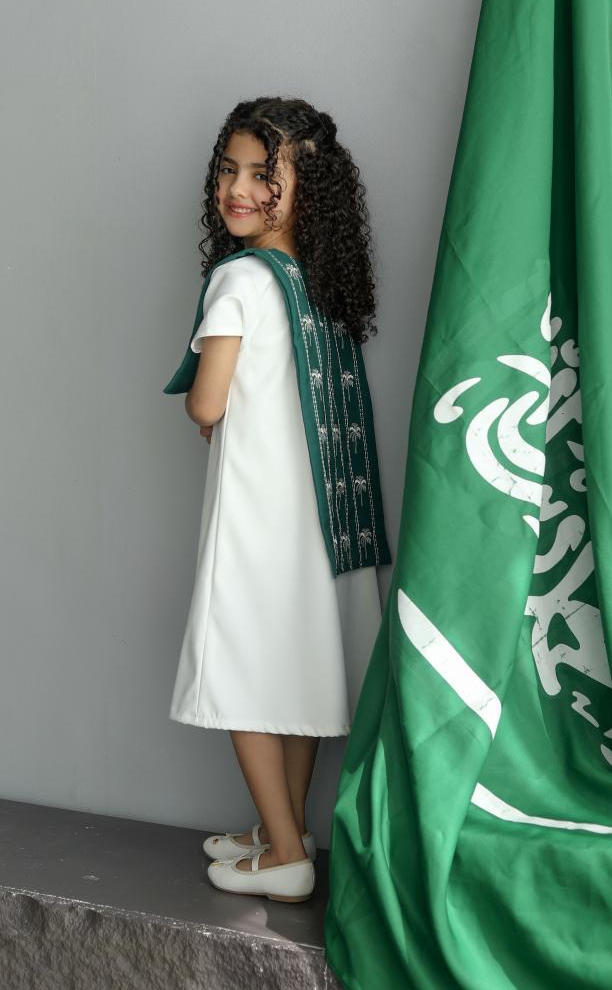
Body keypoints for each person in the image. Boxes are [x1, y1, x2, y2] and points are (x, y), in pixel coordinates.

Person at [164, 97, 391, 903]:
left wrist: (204, 411)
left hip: (256, 520)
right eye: (229, 170)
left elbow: (206, 400)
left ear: (305, 188)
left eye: (264, 174)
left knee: (243, 671)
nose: (239, 189)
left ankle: (286, 855)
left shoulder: (238, 278)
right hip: (323, 525)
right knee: (300, 677)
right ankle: (282, 828)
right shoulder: (318, 288)